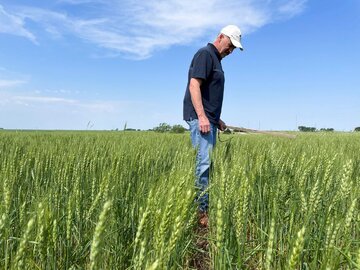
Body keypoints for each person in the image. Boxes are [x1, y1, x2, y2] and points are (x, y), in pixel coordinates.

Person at [183, 25, 243, 227]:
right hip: (202, 121)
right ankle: (201, 212)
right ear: (220, 37)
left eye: (234, 48)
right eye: (230, 45)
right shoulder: (205, 54)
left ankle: (203, 206)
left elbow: (210, 95)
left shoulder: (216, 60)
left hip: (209, 120)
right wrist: (202, 117)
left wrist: (217, 118)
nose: (231, 50)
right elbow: (194, 85)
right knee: (203, 165)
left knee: (206, 165)